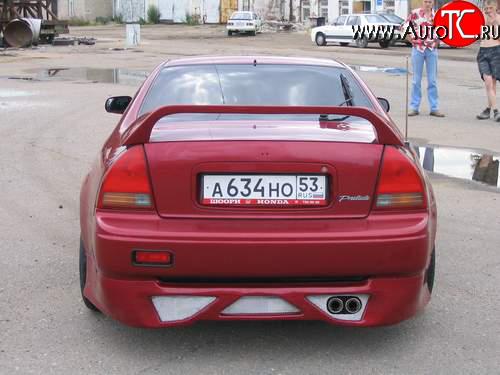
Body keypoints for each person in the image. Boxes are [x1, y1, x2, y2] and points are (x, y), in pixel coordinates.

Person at [405, 0, 445, 117]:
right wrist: (410, 39)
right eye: (426, 1)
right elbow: (405, 26)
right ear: (423, 2)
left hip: (432, 49)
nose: (428, 4)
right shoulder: (415, 13)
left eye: (430, 2)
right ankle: (414, 107)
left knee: (432, 80)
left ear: (433, 3)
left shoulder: (437, 15)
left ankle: (434, 107)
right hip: (418, 49)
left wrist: (438, 41)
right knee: (416, 80)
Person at [476, 0, 500, 121]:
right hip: (483, 52)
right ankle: (496, 111)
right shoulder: (482, 18)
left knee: (493, 84)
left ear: (496, 8)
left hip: (496, 51)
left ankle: (488, 109)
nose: (488, 10)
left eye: (490, 8)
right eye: (486, 8)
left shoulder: (499, 19)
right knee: (488, 82)